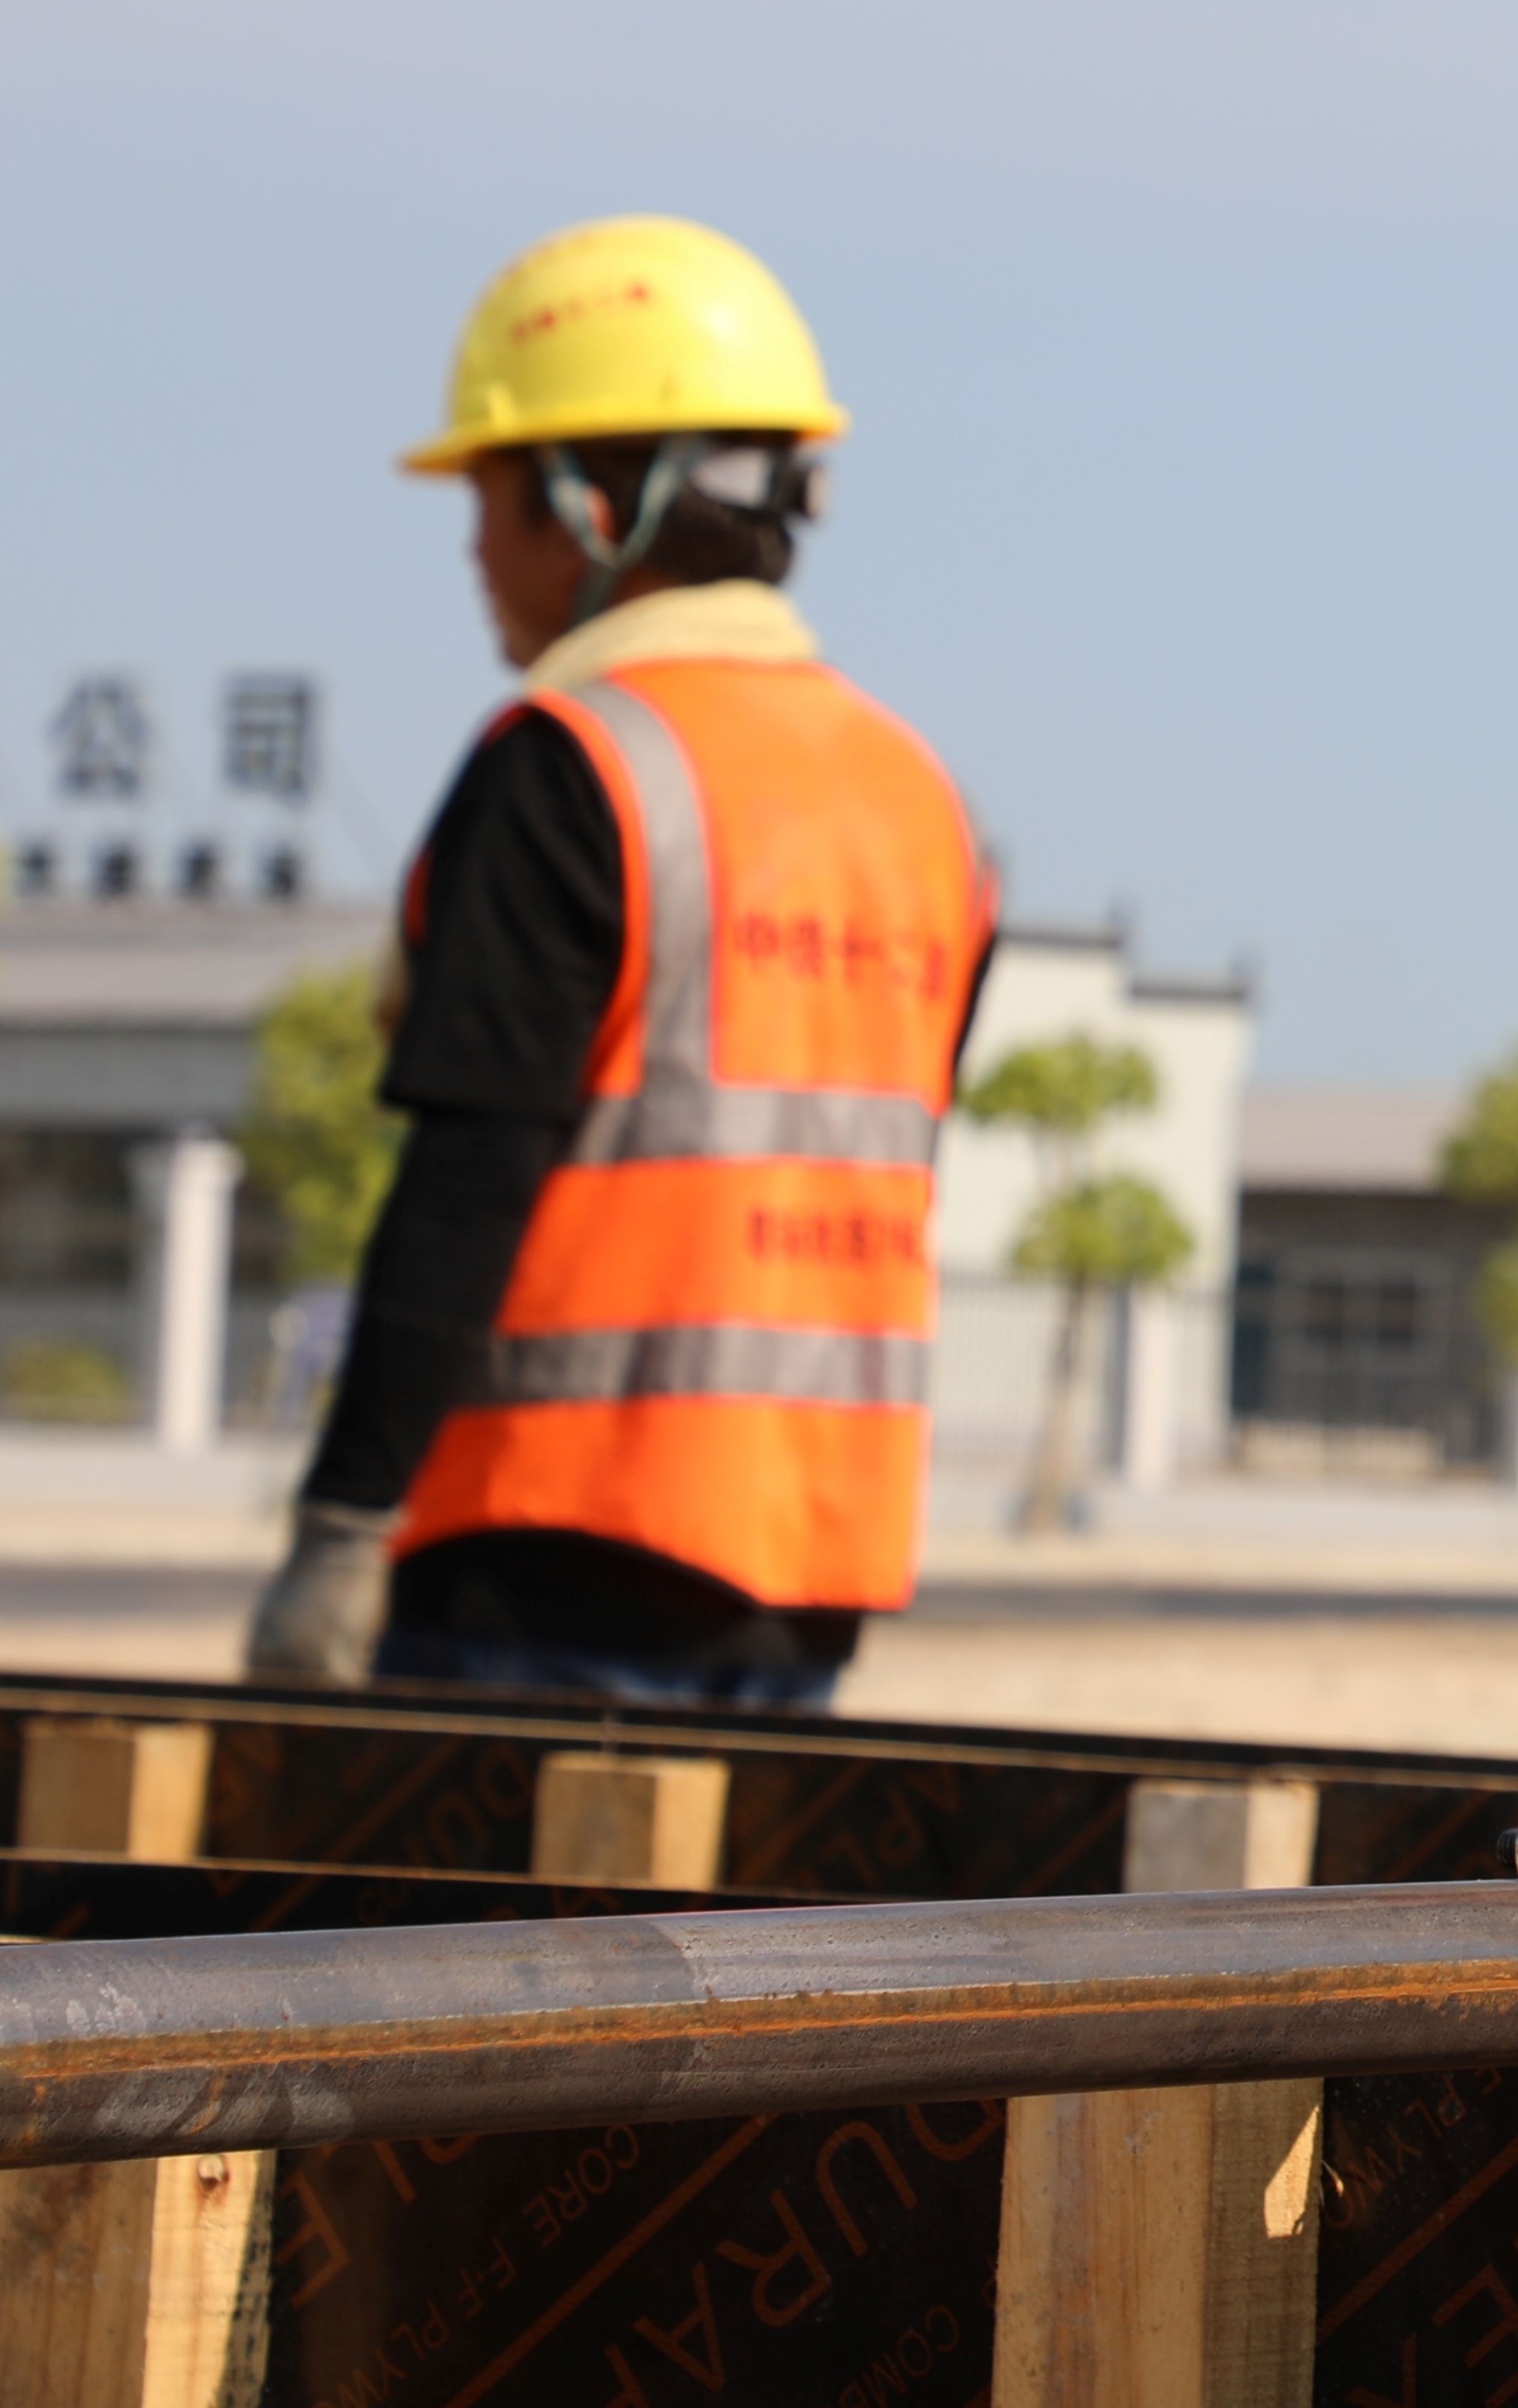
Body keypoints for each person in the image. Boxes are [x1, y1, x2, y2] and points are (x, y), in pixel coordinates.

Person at [244, 218, 992, 1711]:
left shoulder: (571, 765)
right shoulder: (915, 796)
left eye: (492, 494)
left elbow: (471, 1172)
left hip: (544, 1558)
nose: (474, 546)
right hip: (809, 1574)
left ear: (593, 501)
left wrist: (337, 1528)